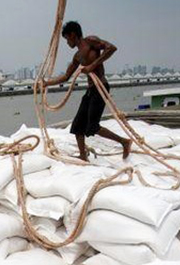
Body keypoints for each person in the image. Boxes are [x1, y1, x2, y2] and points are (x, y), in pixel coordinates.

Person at [43, 20, 131, 162]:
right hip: (90, 90)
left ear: (72, 35)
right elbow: (66, 77)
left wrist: (93, 65)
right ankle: (83, 156)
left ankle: (124, 142)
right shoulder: (77, 56)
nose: (67, 43)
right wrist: (46, 83)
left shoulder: (91, 41)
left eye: (67, 39)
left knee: (92, 127)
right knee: (77, 126)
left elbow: (111, 48)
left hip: (100, 87)